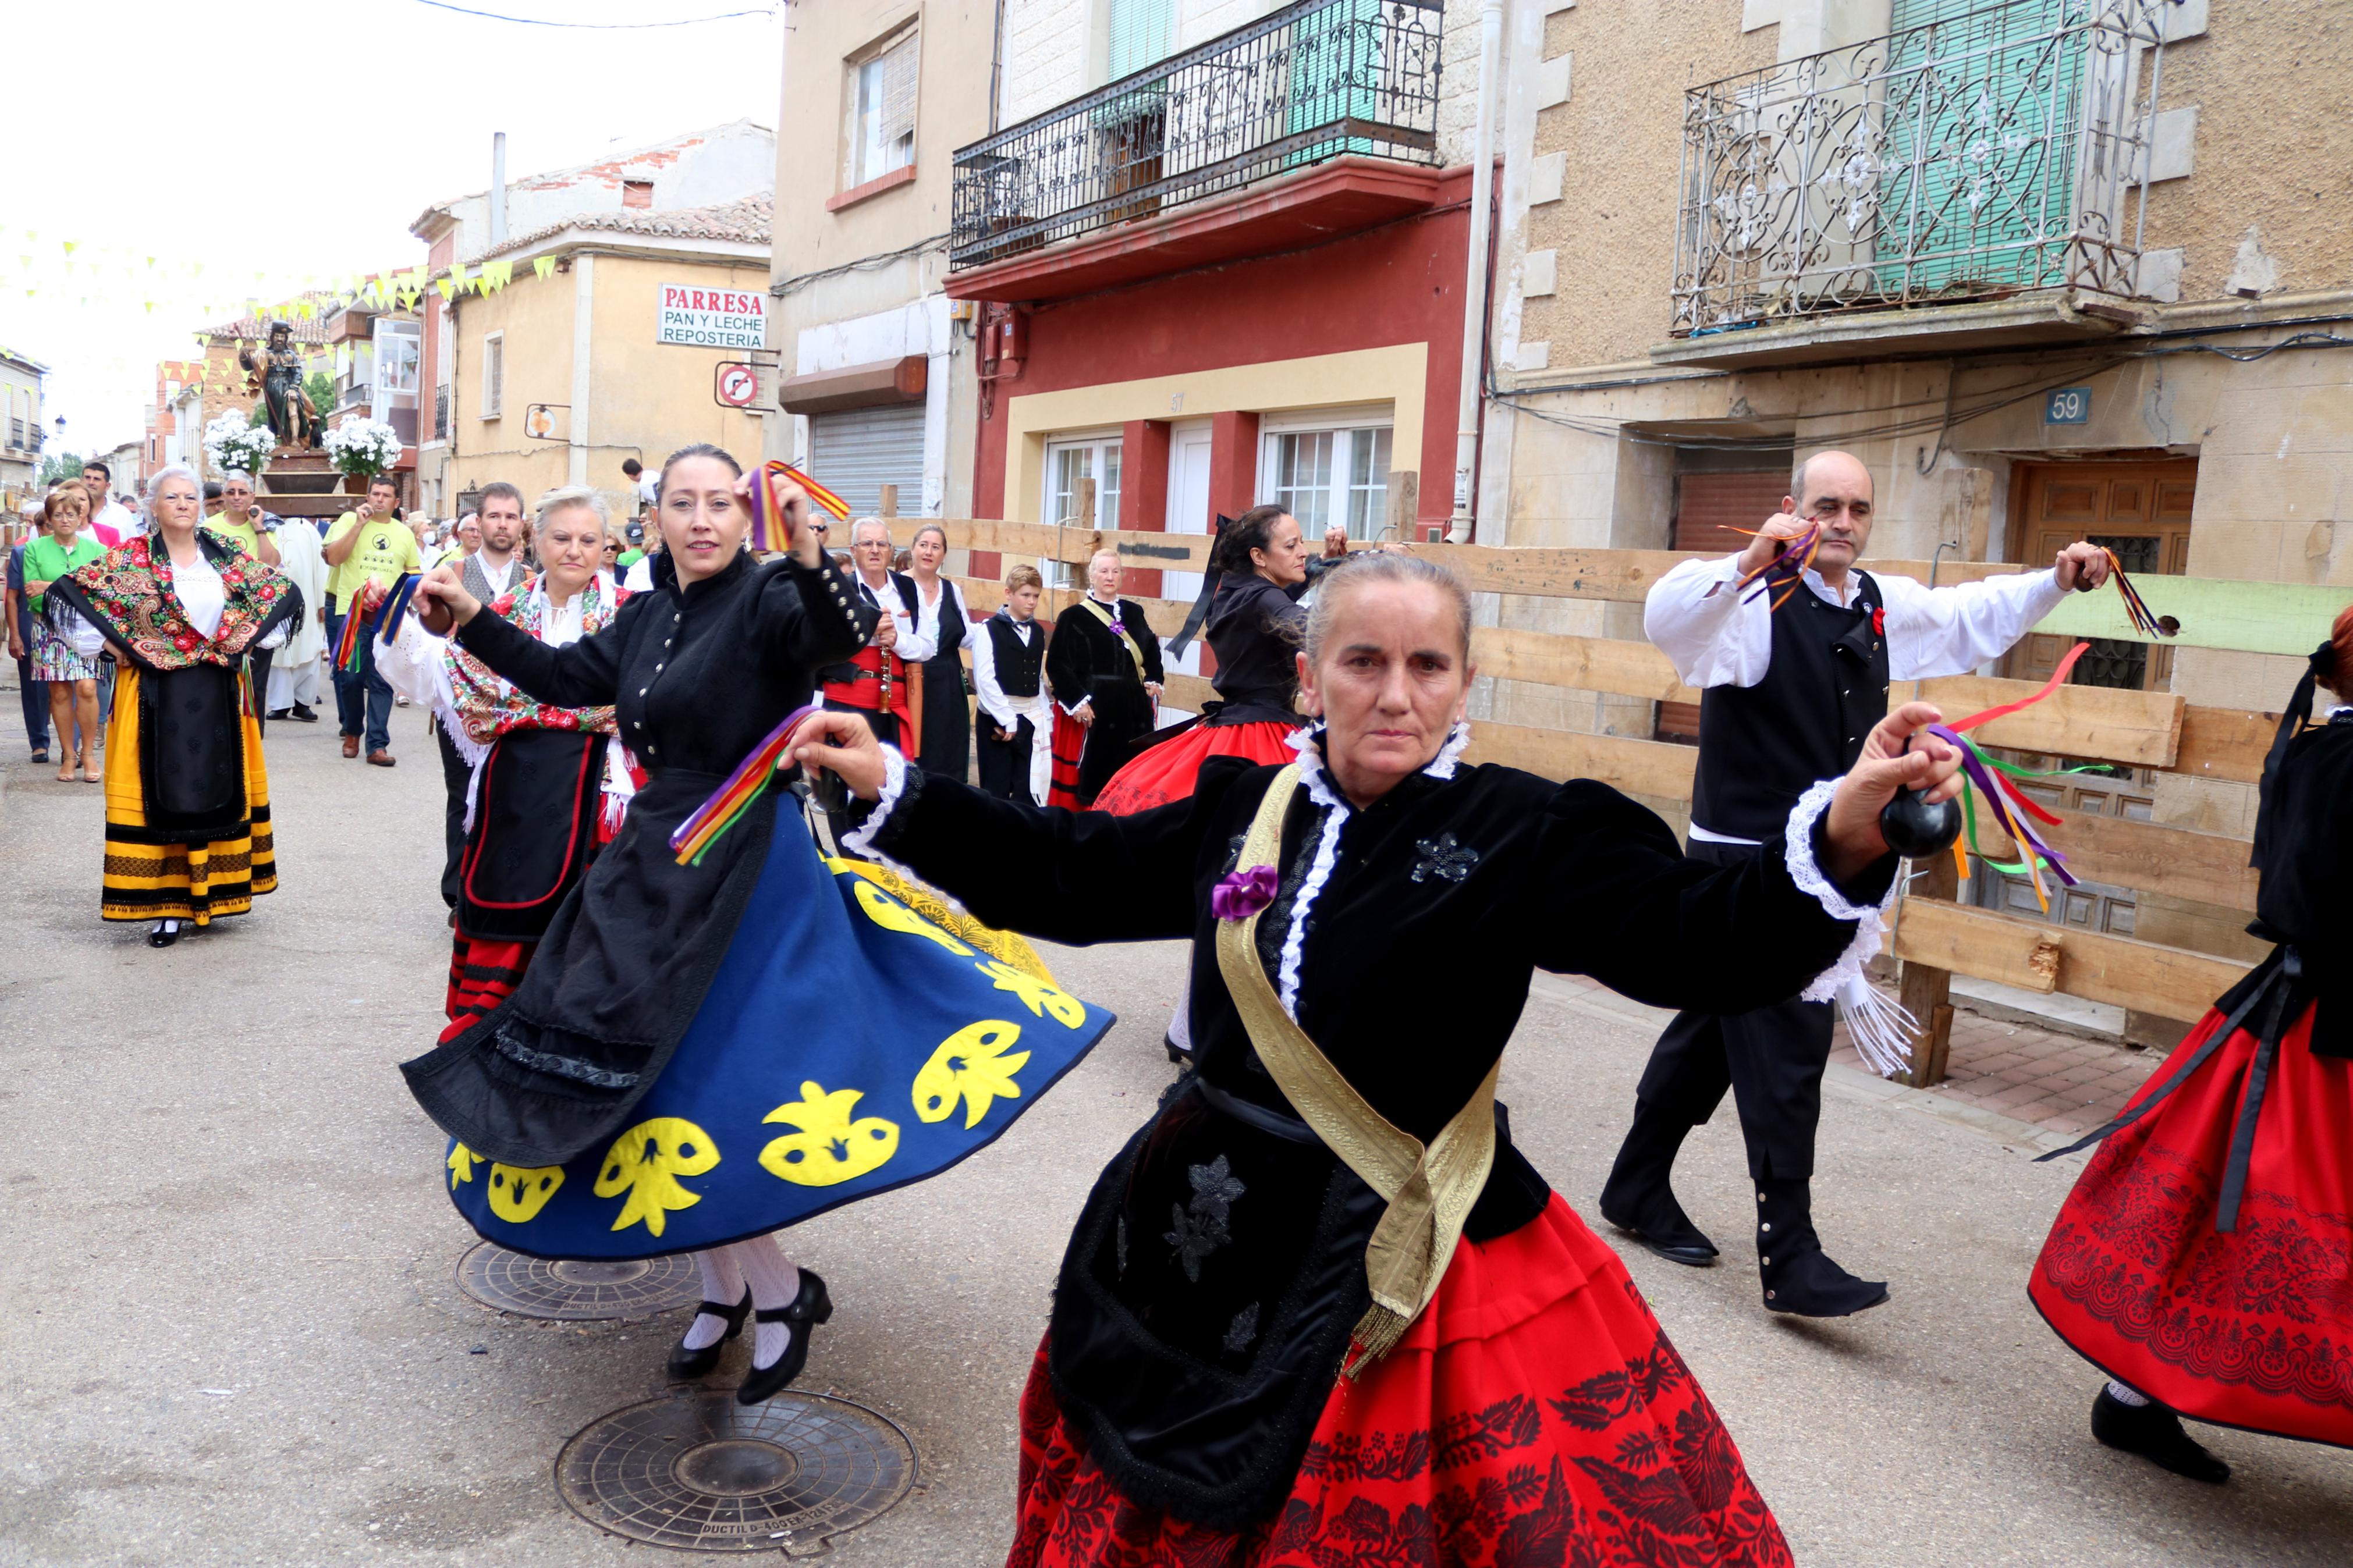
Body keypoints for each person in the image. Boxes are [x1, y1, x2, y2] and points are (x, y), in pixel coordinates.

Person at [789, 549, 1962, 1567]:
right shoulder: (1240, 809)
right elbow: (1069, 871)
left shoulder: (1523, 829)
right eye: (1362, 662)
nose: (1394, 695)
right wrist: (895, 786)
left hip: (1415, 1250)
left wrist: (1847, 823)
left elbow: (1694, 937)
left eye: (1426, 667)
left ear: (1461, 682)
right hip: (1201, 1230)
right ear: (1309, 676)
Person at [402, 445, 1112, 1406]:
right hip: (655, 861)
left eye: (719, 506)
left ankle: (779, 1294)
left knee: (710, 1085)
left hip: (745, 867)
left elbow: (836, 627)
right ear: (655, 517)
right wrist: (474, 620)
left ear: (746, 521)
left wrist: (809, 547)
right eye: (681, 504)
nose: (700, 520)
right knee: (655, 1090)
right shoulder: (649, 612)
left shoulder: (775, 596)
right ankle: (725, 1287)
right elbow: (566, 679)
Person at [1602, 447, 2117, 1318]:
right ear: (1790, 509)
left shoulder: (1875, 602)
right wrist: (1744, 562)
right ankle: (1788, 1253)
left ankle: (1634, 1184)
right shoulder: (1750, 602)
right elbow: (1667, 619)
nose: (1841, 523)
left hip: (1821, 859)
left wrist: (2054, 581)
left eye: (1857, 509)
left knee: (1713, 1027)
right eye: (1825, 506)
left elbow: (1966, 614)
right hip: (1743, 858)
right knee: (1786, 1041)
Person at [2029, 610, 2353, 1484]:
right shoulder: (2342, 759)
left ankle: (2130, 1399)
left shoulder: (2319, 744)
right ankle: (2131, 1399)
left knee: (2219, 1217)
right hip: (2317, 1028)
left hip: (2290, 1011)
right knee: (2249, 1226)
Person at [377, 486, 630, 1040]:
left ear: (606, 546)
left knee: (589, 918)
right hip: (517, 787)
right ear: (534, 541)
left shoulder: (628, 614)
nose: (575, 550)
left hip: (602, 787)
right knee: (511, 909)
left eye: (589, 539)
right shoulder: (499, 616)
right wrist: (410, 622)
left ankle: (575, 1038)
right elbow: (438, 678)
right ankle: (495, 1036)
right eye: (561, 537)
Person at [48, 465, 298, 947]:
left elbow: (276, 599)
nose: (183, 504)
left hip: (217, 693)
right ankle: (165, 908)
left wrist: (241, 641)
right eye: (171, 498)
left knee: (214, 788)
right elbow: (76, 601)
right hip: (152, 695)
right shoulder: (129, 560)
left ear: (200, 507)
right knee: (160, 794)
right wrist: (110, 645)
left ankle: (214, 895)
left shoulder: (225, 558)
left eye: (189, 497)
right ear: (152, 507)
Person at [1096, 506, 1349, 814]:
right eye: (1291, 545)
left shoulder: (1233, 590)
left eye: (1301, 543)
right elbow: (1312, 628)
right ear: (1258, 556)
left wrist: (1325, 562)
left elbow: (1277, 596)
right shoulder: (1263, 598)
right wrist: (1359, 588)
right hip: (1265, 731)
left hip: (1228, 725)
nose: (1303, 553)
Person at [424, 482, 532, 898]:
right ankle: (459, 891)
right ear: (478, 522)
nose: (502, 524)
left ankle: (505, 887)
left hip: (518, 703)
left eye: (510, 516)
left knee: (514, 793)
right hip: (461, 704)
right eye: (494, 515)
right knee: (462, 792)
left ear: (521, 524)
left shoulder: (532, 579)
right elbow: (429, 632)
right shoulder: (452, 574)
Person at [1045, 547, 1164, 806]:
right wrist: (1078, 702)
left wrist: (1154, 680)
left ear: (1122, 576)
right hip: (1097, 705)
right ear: (1092, 576)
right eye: (1103, 571)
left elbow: (1151, 649)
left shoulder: (1133, 612)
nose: (1110, 577)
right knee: (1096, 774)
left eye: (1115, 571)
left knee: (1133, 770)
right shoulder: (1073, 617)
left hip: (1133, 707)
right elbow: (1057, 664)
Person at [323, 474, 421, 766]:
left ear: (396, 502)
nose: (379, 499)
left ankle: (377, 745)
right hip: (350, 611)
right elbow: (334, 558)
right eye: (375, 494)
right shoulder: (347, 521)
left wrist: (409, 601)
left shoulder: (404, 533)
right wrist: (358, 525)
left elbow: (413, 573)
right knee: (351, 677)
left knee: (382, 680)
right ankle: (353, 730)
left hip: (388, 616)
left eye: (385, 496)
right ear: (367, 497)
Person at [819, 516, 931, 753]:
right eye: (867, 544)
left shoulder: (910, 589)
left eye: (882, 544)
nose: (875, 550)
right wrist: (867, 629)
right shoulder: (836, 590)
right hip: (845, 703)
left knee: (890, 783)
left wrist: (898, 640)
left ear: (891, 551)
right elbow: (822, 644)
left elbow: (929, 646)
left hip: (894, 706)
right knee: (841, 780)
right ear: (853, 550)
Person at [23, 484, 107, 783]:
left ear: (80, 515)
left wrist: (53, 587)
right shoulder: (34, 549)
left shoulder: (97, 551)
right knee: (59, 692)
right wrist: (74, 589)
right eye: (57, 515)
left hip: (85, 629)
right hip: (48, 629)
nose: (65, 520)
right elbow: (33, 596)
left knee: (86, 688)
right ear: (49, 518)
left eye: (71, 514)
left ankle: (88, 753)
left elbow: (100, 593)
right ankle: (68, 755)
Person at [204, 472, 287, 734]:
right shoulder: (209, 527)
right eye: (231, 492)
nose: (237, 497)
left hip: (257, 613)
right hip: (218, 614)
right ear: (224, 497)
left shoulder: (265, 525)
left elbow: (270, 563)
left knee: (256, 681)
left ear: (253, 497)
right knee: (219, 679)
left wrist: (258, 527)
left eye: (242, 492)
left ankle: (253, 739)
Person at [971, 563, 1049, 805]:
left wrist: (1044, 713)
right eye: (1026, 595)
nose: (1032, 602)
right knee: (996, 791)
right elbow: (985, 680)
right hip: (997, 718)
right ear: (1009, 594)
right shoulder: (989, 630)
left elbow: (1035, 676)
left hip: (1030, 717)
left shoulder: (1037, 631)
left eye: (1036, 596)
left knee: (1028, 790)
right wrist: (1006, 717)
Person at [907, 522, 974, 782]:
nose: (929, 552)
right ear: (913, 549)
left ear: (943, 555)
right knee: (915, 748)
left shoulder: (951, 590)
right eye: (923, 545)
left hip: (946, 679)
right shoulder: (899, 585)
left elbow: (966, 634)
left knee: (947, 750)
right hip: (911, 677)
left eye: (936, 547)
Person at [265, 499, 328, 723]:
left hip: (307, 600)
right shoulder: (266, 526)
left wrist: (322, 602)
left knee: (309, 646)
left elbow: (322, 568)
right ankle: (280, 705)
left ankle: (303, 703)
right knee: (277, 649)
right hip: (276, 602)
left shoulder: (308, 529)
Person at [7, 507, 52, 763]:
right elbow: (12, 598)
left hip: (64, 631)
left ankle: (73, 746)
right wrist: (15, 635)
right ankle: (39, 742)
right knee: (34, 688)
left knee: (68, 690)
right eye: (47, 525)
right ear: (39, 529)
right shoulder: (22, 554)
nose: (53, 529)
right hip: (29, 626)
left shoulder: (78, 553)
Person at [83, 463, 141, 545]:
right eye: (87, 478)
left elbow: (133, 545)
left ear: (107, 486)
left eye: (97, 479)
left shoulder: (122, 513)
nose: (91, 482)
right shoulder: (73, 511)